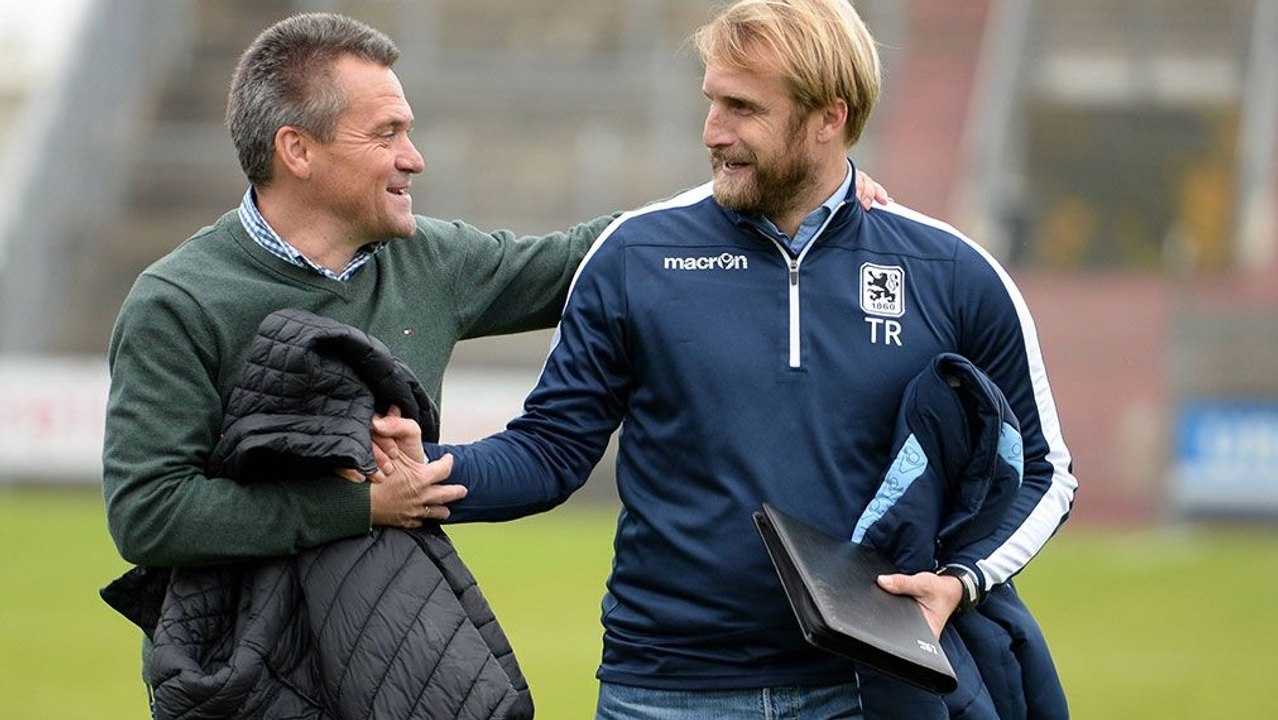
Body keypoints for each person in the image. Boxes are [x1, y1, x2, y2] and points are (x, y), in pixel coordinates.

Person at [99, 9, 888, 709]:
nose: (414, 159)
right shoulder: (180, 300)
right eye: (386, 135)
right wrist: (358, 507)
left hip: (382, 643)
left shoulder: (430, 261)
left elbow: (598, 253)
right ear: (296, 151)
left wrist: (796, 186)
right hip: (237, 662)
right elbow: (150, 513)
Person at [383, 0, 1078, 718]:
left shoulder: (952, 272)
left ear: (828, 117)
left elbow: (1046, 468)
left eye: (743, 108)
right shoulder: (634, 255)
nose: (713, 131)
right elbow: (550, 451)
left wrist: (961, 581)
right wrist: (431, 467)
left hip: (865, 691)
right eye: (712, 101)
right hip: (663, 691)